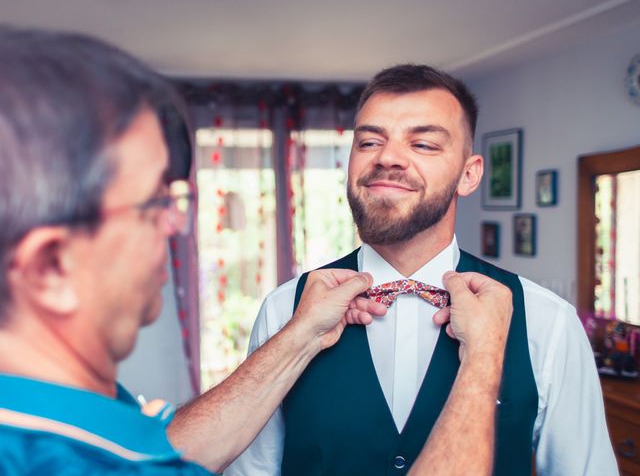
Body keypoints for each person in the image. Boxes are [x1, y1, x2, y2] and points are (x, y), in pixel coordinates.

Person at [0, 28, 512, 476]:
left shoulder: (90, 418)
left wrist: (302, 335)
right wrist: (485, 359)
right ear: (51, 267)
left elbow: (171, 451)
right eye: (156, 202)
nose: (180, 223)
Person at [227, 64, 618, 476]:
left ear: (468, 175)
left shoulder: (547, 321)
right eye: (370, 141)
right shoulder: (285, 308)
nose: (387, 158)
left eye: (424, 144)